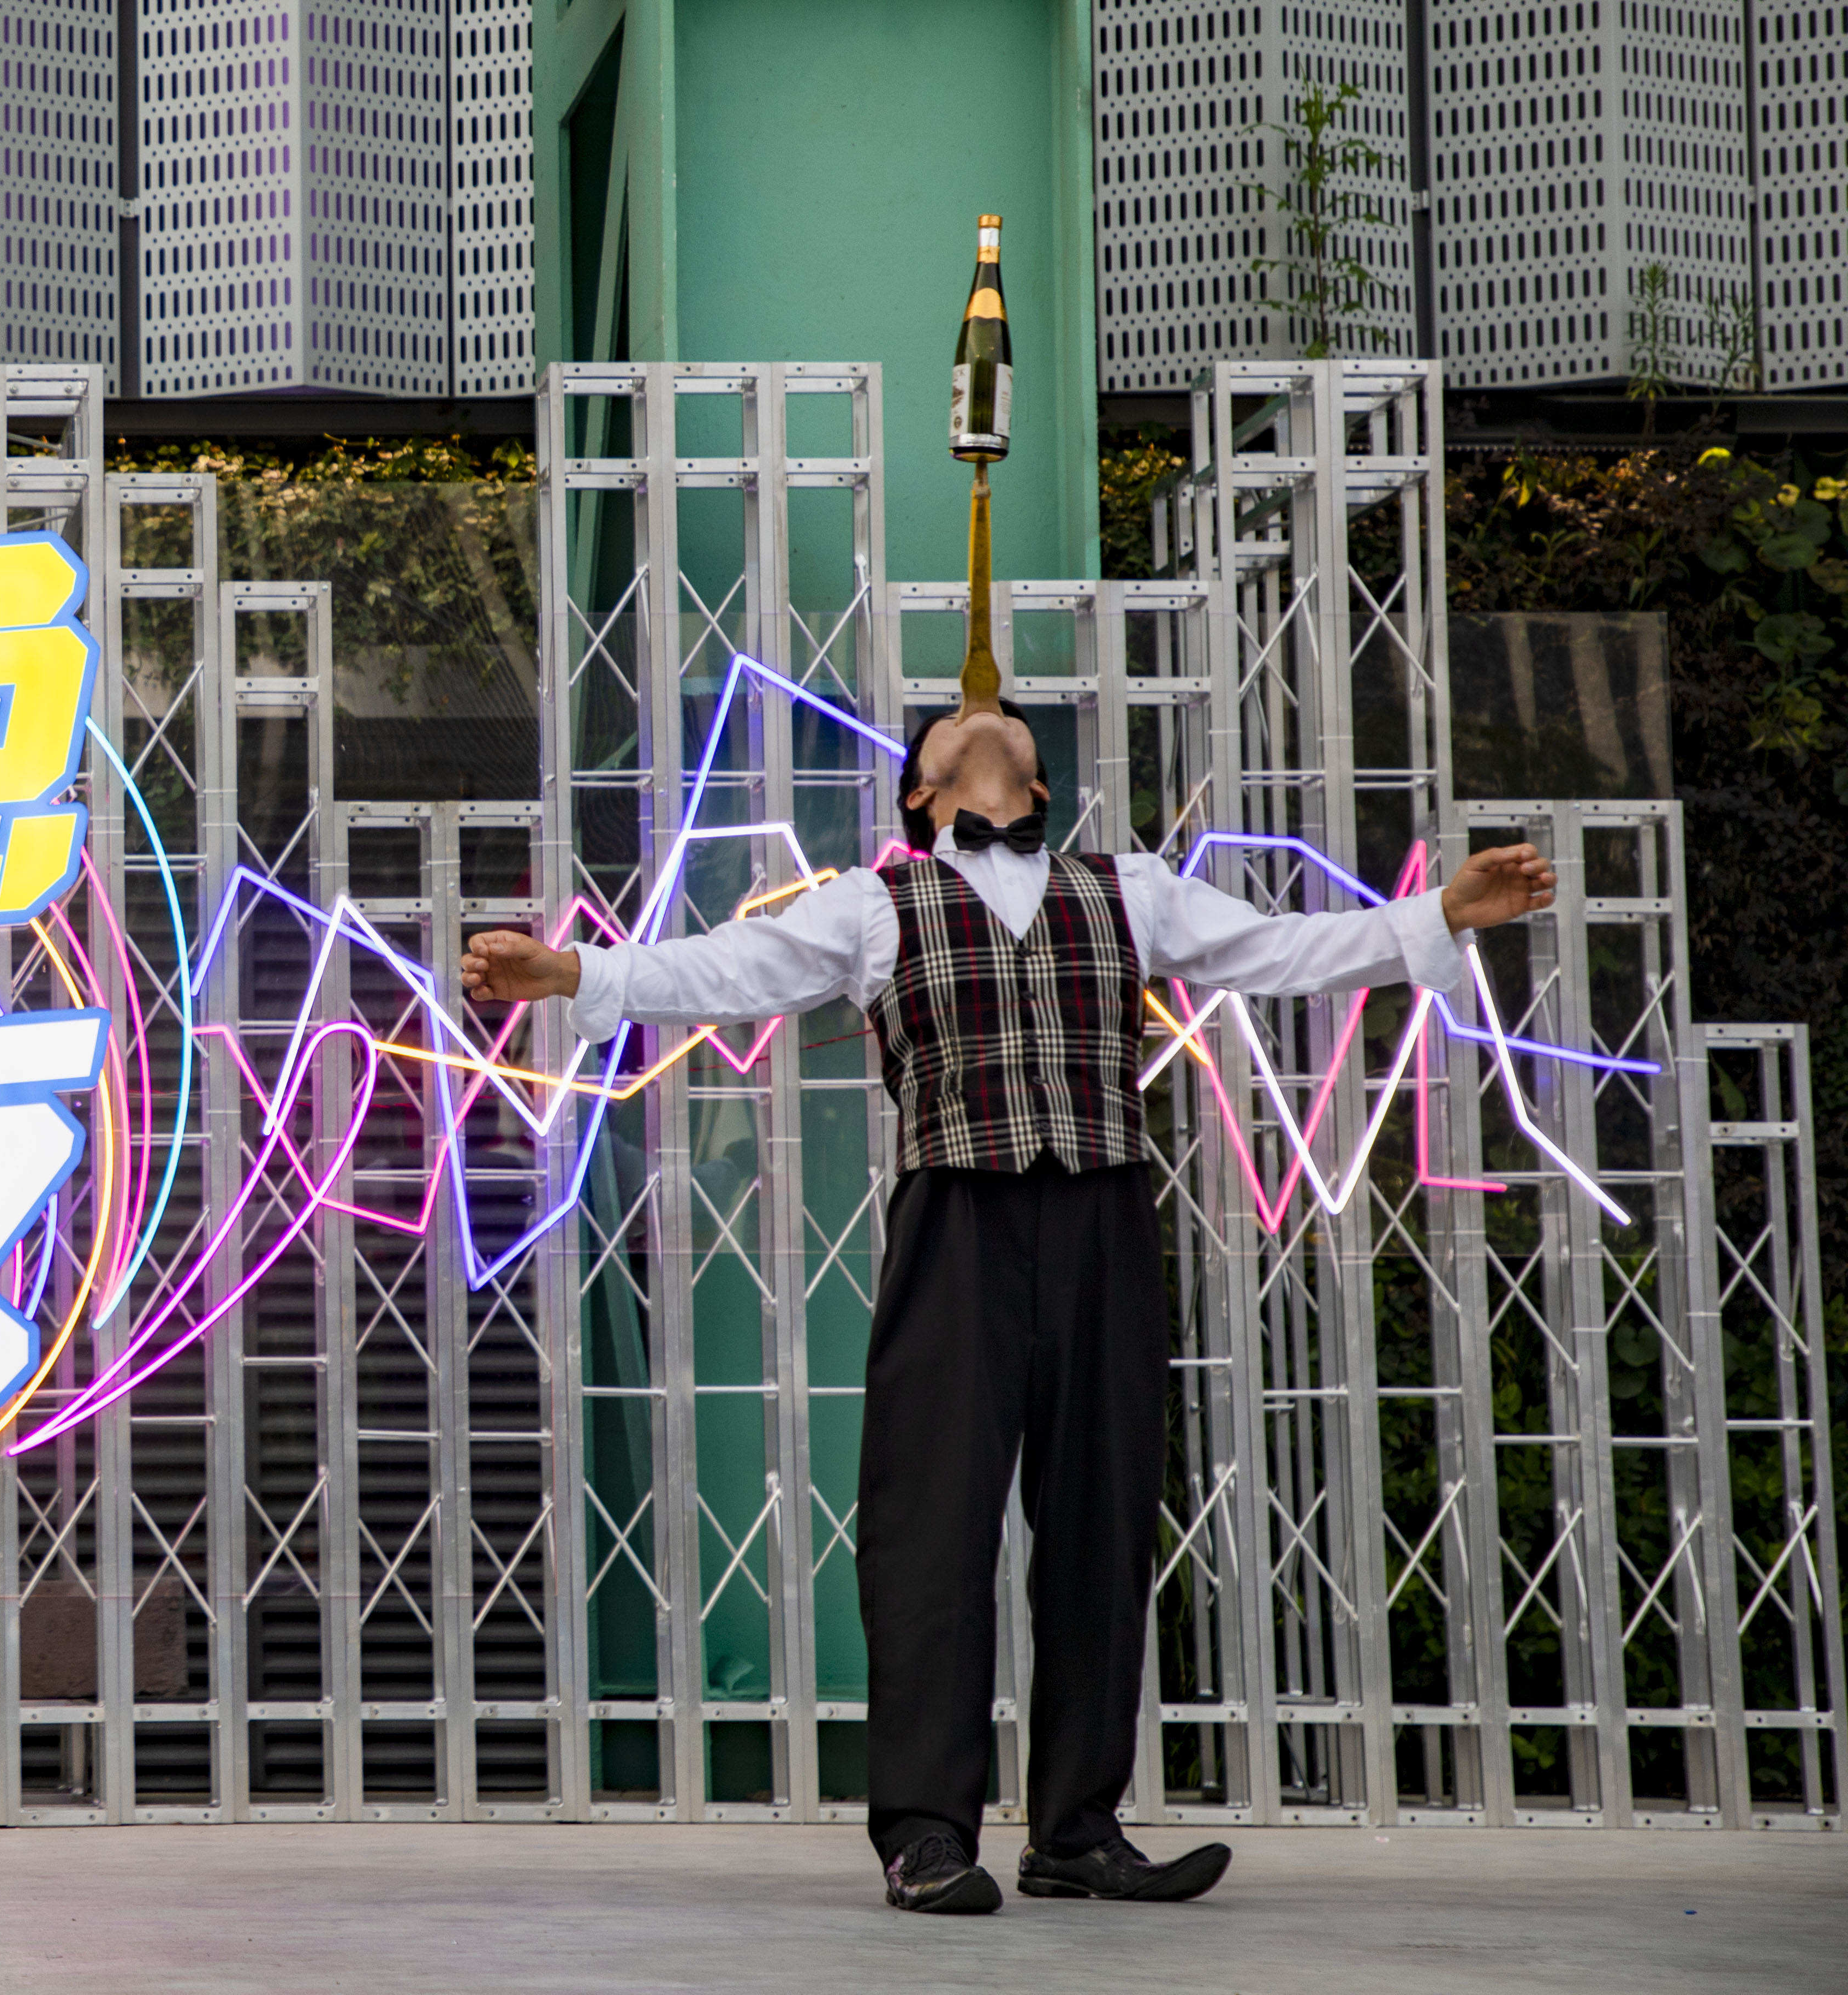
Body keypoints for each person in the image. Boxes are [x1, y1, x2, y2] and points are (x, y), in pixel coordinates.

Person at [461, 702, 1552, 1916]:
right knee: (930, 1533)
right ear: (921, 796)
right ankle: (927, 1832)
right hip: (957, 1225)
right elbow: (726, 967)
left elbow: (1280, 949)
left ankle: (1078, 1827)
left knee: (1100, 1523)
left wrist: (1439, 917)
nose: (987, 725)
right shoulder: (873, 903)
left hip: (1102, 1216)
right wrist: (570, 971)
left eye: (1009, 725)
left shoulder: (1128, 886)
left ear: (1040, 778)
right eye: (956, 729)